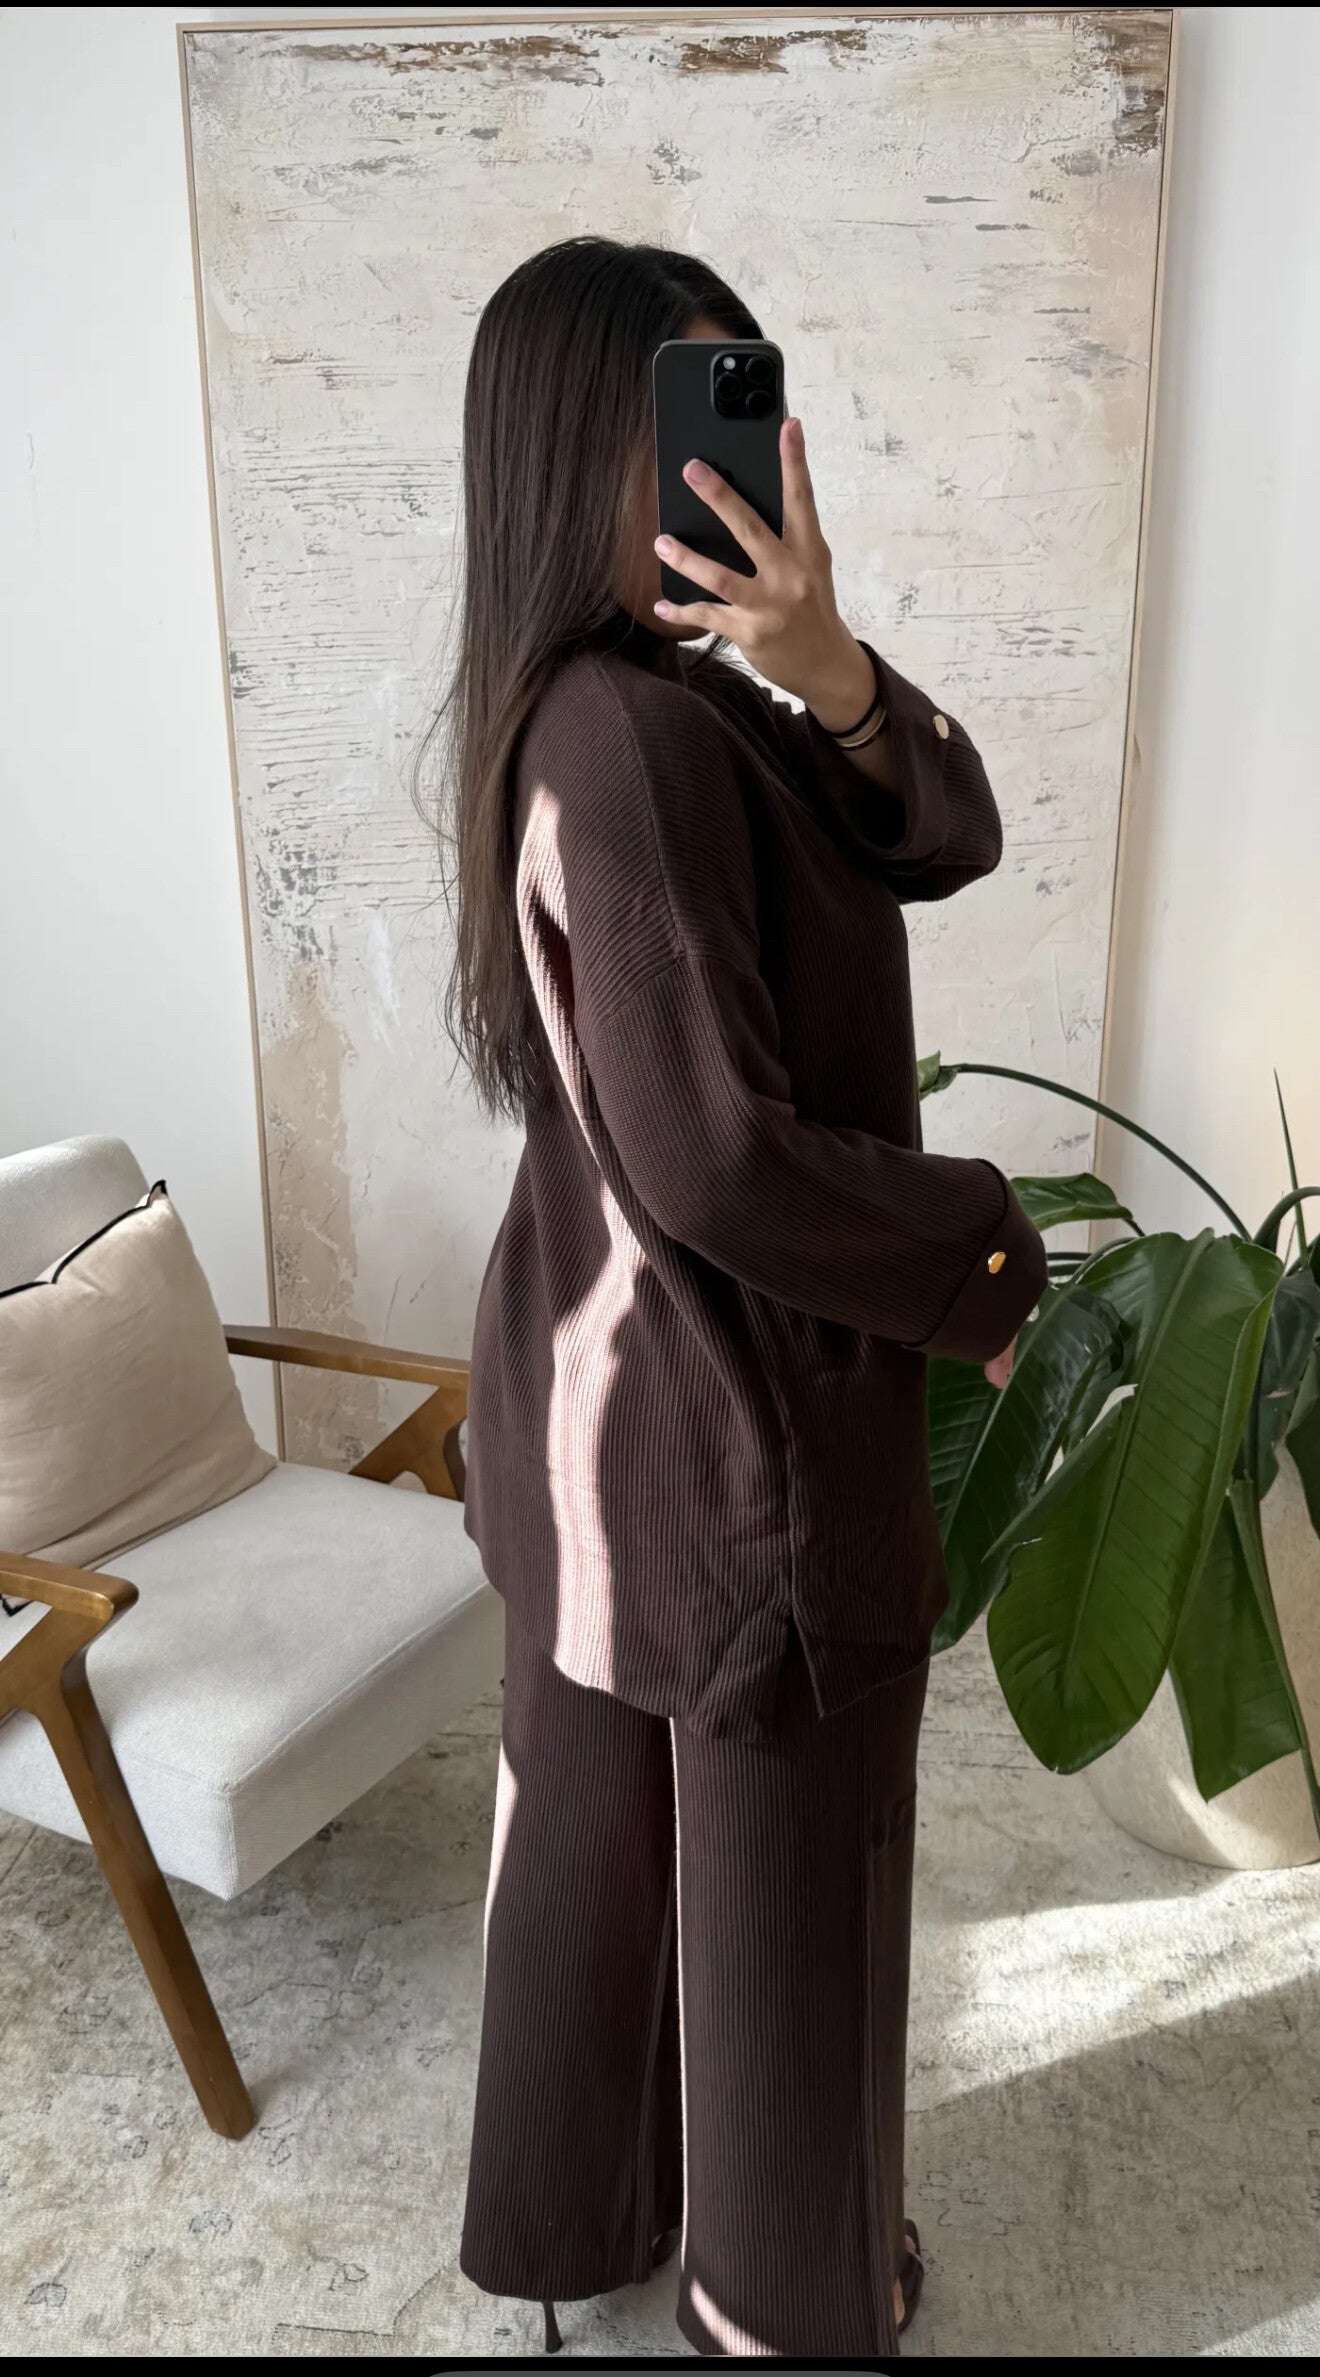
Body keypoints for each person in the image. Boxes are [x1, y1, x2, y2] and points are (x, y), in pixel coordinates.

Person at [440, 236, 1047, 2359]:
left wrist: (833, 660)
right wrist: (984, 1256)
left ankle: (574, 2218)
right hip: (739, 1452)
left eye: (746, 416)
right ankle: (787, 2302)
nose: (739, 473)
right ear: (570, 454)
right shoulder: (634, 738)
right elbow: (718, 1156)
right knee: (798, 1913)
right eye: (685, 426)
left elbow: (943, 834)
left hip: (593, 1419)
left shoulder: (635, 709)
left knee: (594, 1856)